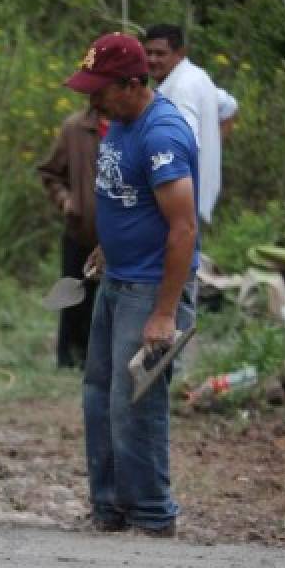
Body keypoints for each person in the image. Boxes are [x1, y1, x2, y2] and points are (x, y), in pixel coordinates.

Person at [63, 32, 199, 538]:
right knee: (99, 393)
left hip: (150, 289)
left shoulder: (161, 133)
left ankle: (151, 514)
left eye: (100, 89)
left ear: (132, 82)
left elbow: (183, 228)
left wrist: (164, 313)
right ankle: (110, 508)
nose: (91, 99)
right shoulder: (117, 123)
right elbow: (125, 199)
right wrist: (105, 248)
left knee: (134, 401)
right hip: (118, 279)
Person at [37, 108, 105, 368]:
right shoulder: (74, 128)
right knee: (74, 295)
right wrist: (65, 200)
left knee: (110, 301)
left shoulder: (133, 125)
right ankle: (69, 359)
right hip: (81, 230)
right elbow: (50, 173)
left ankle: (99, 359)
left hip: (117, 238)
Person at [142, 24, 223, 224]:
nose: (152, 60)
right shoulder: (197, 76)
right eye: (148, 53)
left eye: (160, 54)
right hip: (196, 198)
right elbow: (229, 106)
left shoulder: (181, 89)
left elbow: (181, 146)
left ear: (180, 53)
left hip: (180, 204)